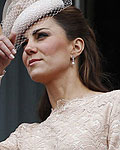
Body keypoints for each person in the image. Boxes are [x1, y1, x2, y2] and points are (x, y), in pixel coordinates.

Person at [0, 0, 120, 149]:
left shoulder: (113, 106)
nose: (28, 48)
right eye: (24, 43)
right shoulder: (23, 137)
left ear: (76, 47)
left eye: (41, 36)